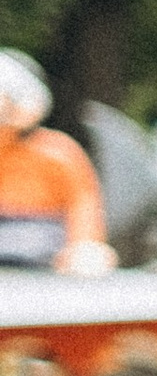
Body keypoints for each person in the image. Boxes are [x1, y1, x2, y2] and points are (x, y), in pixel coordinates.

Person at [0, 53, 112, 273]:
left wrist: (83, 247)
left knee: (92, 257)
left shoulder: (59, 152)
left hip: (47, 264)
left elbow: (84, 211)